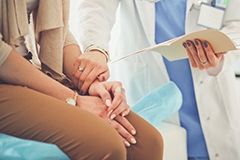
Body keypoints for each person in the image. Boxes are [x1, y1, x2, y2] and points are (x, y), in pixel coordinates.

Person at [75, 0, 240, 159]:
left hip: (212, 88)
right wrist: (96, 48)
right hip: (151, 86)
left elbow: (236, 23)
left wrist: (221, 50)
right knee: (163, 146)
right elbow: (96, 5)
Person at [0, 0, 164, 159]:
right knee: (105, 145)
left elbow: (59, 31)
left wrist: (89, 81)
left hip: (28, 68)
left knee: (149, 143)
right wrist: (73, 99)